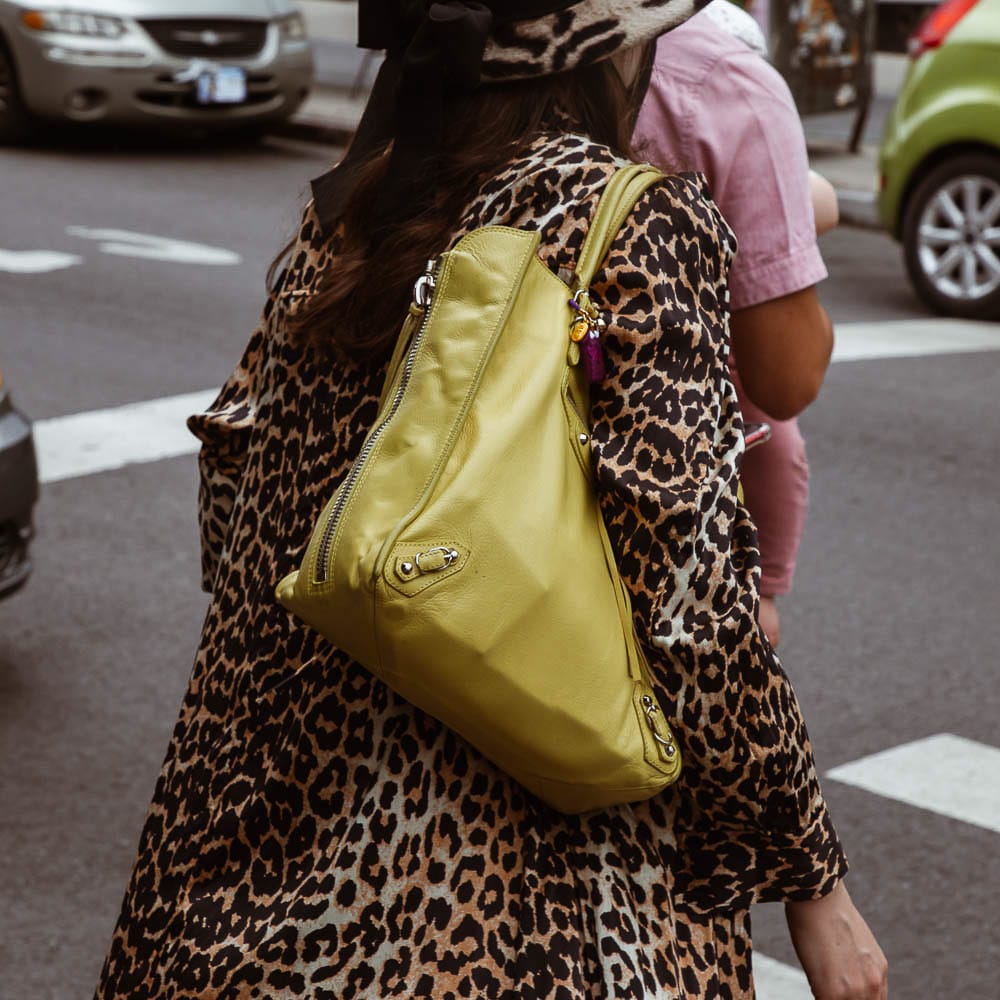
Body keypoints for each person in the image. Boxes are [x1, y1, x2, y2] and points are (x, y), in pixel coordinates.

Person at [94, 2, 886, 997]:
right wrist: (813, 885)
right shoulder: (628, 221)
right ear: (603, 53)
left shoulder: (352, 206)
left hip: (247, 883)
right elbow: (694, 607)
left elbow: (241, 535)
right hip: (502, 915)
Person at [635, 1, 838, 649]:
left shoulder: (469, 39)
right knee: (773, 433)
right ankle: (767, 593)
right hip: (662, 525)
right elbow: (789, 377)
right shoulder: (721, 79)